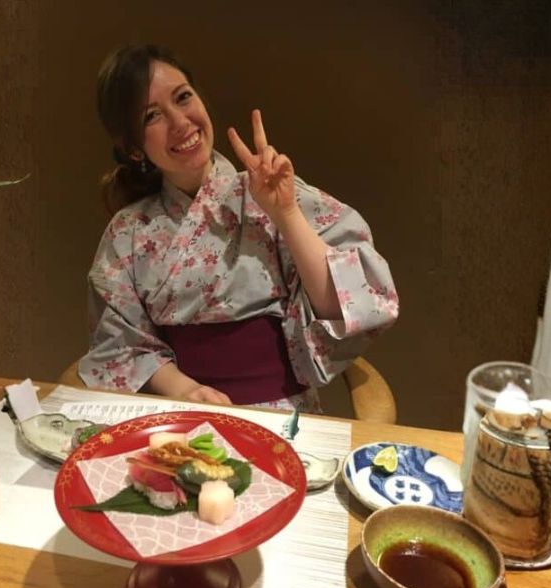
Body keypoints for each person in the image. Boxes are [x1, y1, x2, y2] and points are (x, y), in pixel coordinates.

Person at [77, 44, 399, 412]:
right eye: (152, 116)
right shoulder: (128, 231)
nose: (181, 122)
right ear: (134, 149)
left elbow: (348, 303)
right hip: (182, 412)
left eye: (183, 98)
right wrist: (184, 390)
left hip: (282, 412)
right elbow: (120, 343)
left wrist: (286, 214)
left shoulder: (273, 192)